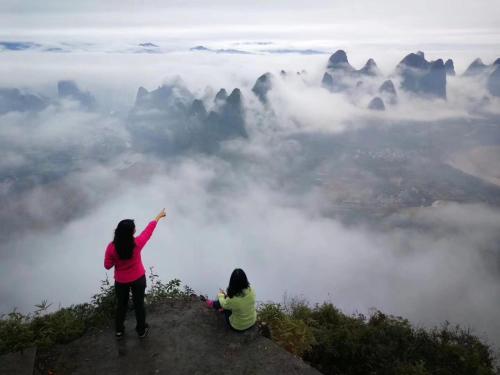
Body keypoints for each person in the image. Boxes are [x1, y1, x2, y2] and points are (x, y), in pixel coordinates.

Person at [104, 209, 167, 339]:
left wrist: (117, 261)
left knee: (121, 305)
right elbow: (148, 231)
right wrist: (158, 217)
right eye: (134, 228)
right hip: (138, 278)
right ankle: (141, 330)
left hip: (121, 281)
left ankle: (119, 331)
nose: (136, 229)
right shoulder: (137, 243)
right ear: (131, 232)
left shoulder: (111, 247)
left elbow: (107, 266)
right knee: (139, 304)